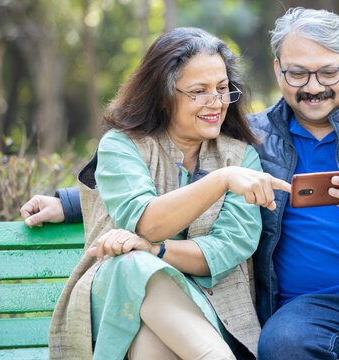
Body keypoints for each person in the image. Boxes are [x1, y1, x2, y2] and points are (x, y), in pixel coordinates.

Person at [22, 8, 339, 360]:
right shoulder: (253, 136)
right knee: (281, 344)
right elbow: (177, 174)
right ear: (278, 71)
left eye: (328, 72)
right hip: (308, 306)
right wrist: (71, 202)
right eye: (297, 73)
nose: (312, 85)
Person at [40, 27, 290, 360]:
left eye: (221, 89)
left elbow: (226, 249)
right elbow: (146, 222)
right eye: (198, 91)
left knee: (149, 338)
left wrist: (153, 250)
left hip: (209, 307)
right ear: (163, 94)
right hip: (117, 295)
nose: (215, 102)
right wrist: (221, 181)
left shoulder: (240, 157)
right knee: (131, 264)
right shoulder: (122, 146)